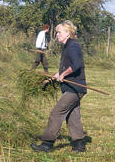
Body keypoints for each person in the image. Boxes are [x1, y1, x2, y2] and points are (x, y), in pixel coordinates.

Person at [31, 21, 88, 153]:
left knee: (57, 113)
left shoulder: (73, 46)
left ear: (68, 33)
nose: (57, 35)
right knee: (73, 116)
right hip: (71, 88)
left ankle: (47, 144)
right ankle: (79, 144)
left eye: (59, 32)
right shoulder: (67, 46)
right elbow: (65, 68)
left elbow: (76, 65)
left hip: (75, 88)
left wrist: (64, 74)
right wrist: (53, 77)